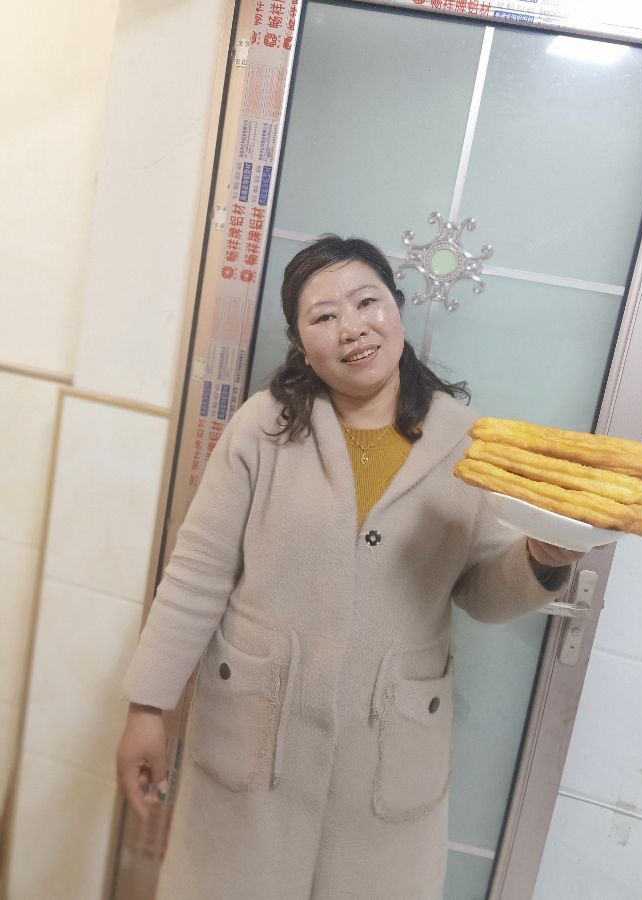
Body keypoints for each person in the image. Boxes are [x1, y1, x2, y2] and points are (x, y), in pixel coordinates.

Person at [117, 236, 582, 900]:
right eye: (324, 316)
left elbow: (482, 591)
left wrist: (540, 560)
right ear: (301, 344)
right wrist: (147, 706)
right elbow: (198, 573)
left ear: (396, 308)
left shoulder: (465, 443)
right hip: (255, 736)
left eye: (367, 302)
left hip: (388, 748)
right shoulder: (263, 427)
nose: (352, 327)